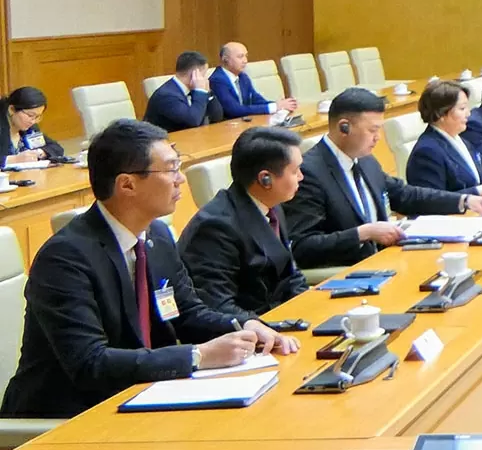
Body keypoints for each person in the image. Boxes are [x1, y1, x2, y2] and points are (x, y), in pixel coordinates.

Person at [0, 120, 295, 419]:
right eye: (170, 169)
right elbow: (90, 364)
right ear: (127, 184)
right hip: (66, 418)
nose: (180, 179)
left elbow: (186, 313)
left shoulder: (157, 236)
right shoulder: (65, 258)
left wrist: (243, 325)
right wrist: (198, 356)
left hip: (141, 397)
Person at [284, 87, 482, 268]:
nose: (378, 138)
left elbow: (405, 195)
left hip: (388, 261)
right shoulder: (310, 172)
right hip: (351, 273)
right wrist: (362, 233)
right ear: (343, 127)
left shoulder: (365, 160)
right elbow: (302, 247)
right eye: (372, 130)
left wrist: (464, 200)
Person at [178, 127, 312, 321]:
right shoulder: (215, 227)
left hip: (283, 320)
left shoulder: (271, 204)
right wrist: (266, 329)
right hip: (248, 334)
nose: (301, 177)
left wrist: (309, 307)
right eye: (295, 171)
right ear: (265, 179)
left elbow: (290, 272)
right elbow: (217, 305)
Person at [208, 42, 297, 119]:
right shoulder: (217, 80)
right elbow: (234, 110)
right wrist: (274, 107)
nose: (245, 61)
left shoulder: (243, 77)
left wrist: (280, 105)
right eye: (240, 57)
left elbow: (256, 99)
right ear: (225, 59)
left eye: (246, 56)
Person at [142, 51, 223, 132]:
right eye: (203, 75)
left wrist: (208, 92)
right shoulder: (167, 96)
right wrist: (200, 91)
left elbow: (217, 117)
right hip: (166, 141)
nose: (205, 79)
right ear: (194, 74)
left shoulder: (192, 90)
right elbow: (193, 121)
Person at [3, 86, 67, 164]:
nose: (33, 121)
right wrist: (12, 160)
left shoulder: (30, 127)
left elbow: (57, 148)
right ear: (12, 109)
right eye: (30, 115)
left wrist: (39, 153)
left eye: (37, 116)